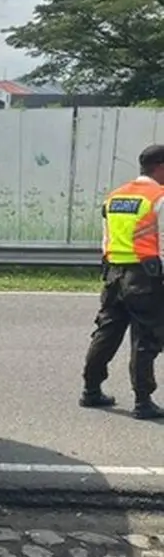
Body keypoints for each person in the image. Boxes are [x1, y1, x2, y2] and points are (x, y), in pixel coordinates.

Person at [80, 144, 164, 420]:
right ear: (160, 167)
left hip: (114, 274)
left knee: (106, 332)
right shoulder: (159, 197)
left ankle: (91, 389)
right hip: (146, 277)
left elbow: (105, 238)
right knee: (145, 338)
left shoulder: (115, 197)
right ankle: (143, 401)